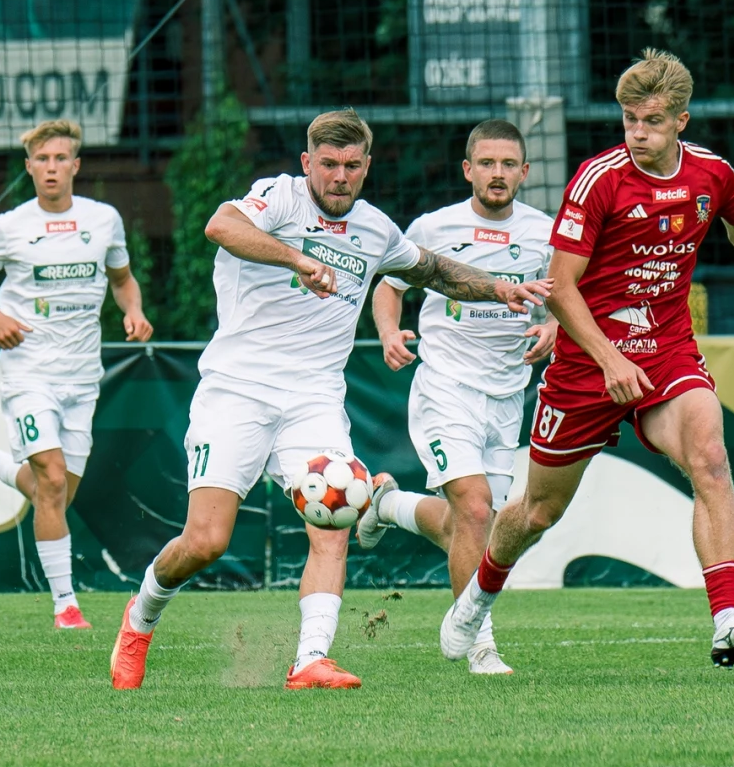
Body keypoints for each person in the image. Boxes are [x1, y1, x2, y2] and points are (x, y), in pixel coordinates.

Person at [108, 109, 550, 690]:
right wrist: (297, 257)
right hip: (237, 390)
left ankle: (310, 660)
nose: (339, 177)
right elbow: (220, 225)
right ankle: (140, 618)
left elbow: (434, 270)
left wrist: (497, 288)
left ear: (366, 167)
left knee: (334, 516)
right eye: (328, 164)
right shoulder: (280, 198)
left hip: (314, 399)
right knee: (206, 542)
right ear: (307, 163)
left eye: (351, 166)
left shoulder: (376, 229)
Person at [438, 49, 734, 669]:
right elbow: (560, 288)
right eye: (629, 120)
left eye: (651, 121)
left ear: (681, 120)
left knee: (710, 458)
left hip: (668, 351)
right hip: (585, 365)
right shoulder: (599, 180)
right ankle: (477, 599)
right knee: (537, 512)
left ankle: (726, 618)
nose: (638, 133)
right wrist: (609, 361)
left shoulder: (712, 175)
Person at [358, 119, 557, 675]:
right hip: (446, 386)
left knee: (467, 524)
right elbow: (390, 286)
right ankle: (480, 643)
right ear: (468, 169)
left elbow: (570, 295)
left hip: (508, 395)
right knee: (473, 508)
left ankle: (386, 505)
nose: (497, 173)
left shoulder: (545, 232)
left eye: (508, 164)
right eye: (486, 163)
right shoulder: (435, 226)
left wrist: (554, 327)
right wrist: (389, 332)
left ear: (524, 172)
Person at [0, 119, 153, 629]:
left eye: (61, 158)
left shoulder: (103, 220)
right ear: (29, 167)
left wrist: (134, 310)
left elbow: (123, 279)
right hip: (29, 372)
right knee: (53, 479)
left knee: (54, 495)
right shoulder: (9, 227)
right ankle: (66, 605)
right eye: (42, 159)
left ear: (76, 165)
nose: (52, 167)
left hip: (82, 378)